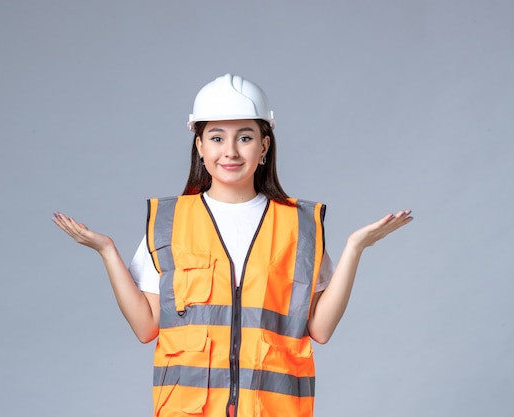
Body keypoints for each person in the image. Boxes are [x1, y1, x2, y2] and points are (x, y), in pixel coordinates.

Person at [53, 73, 412, 417]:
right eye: (216, 138)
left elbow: (320, 329)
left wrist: (354, 248)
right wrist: (107, 252)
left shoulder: (299, 227)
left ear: (264, 146)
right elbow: (146, 327)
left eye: (244, 137)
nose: (230, 151)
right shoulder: (170, 222)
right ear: (200, 145)